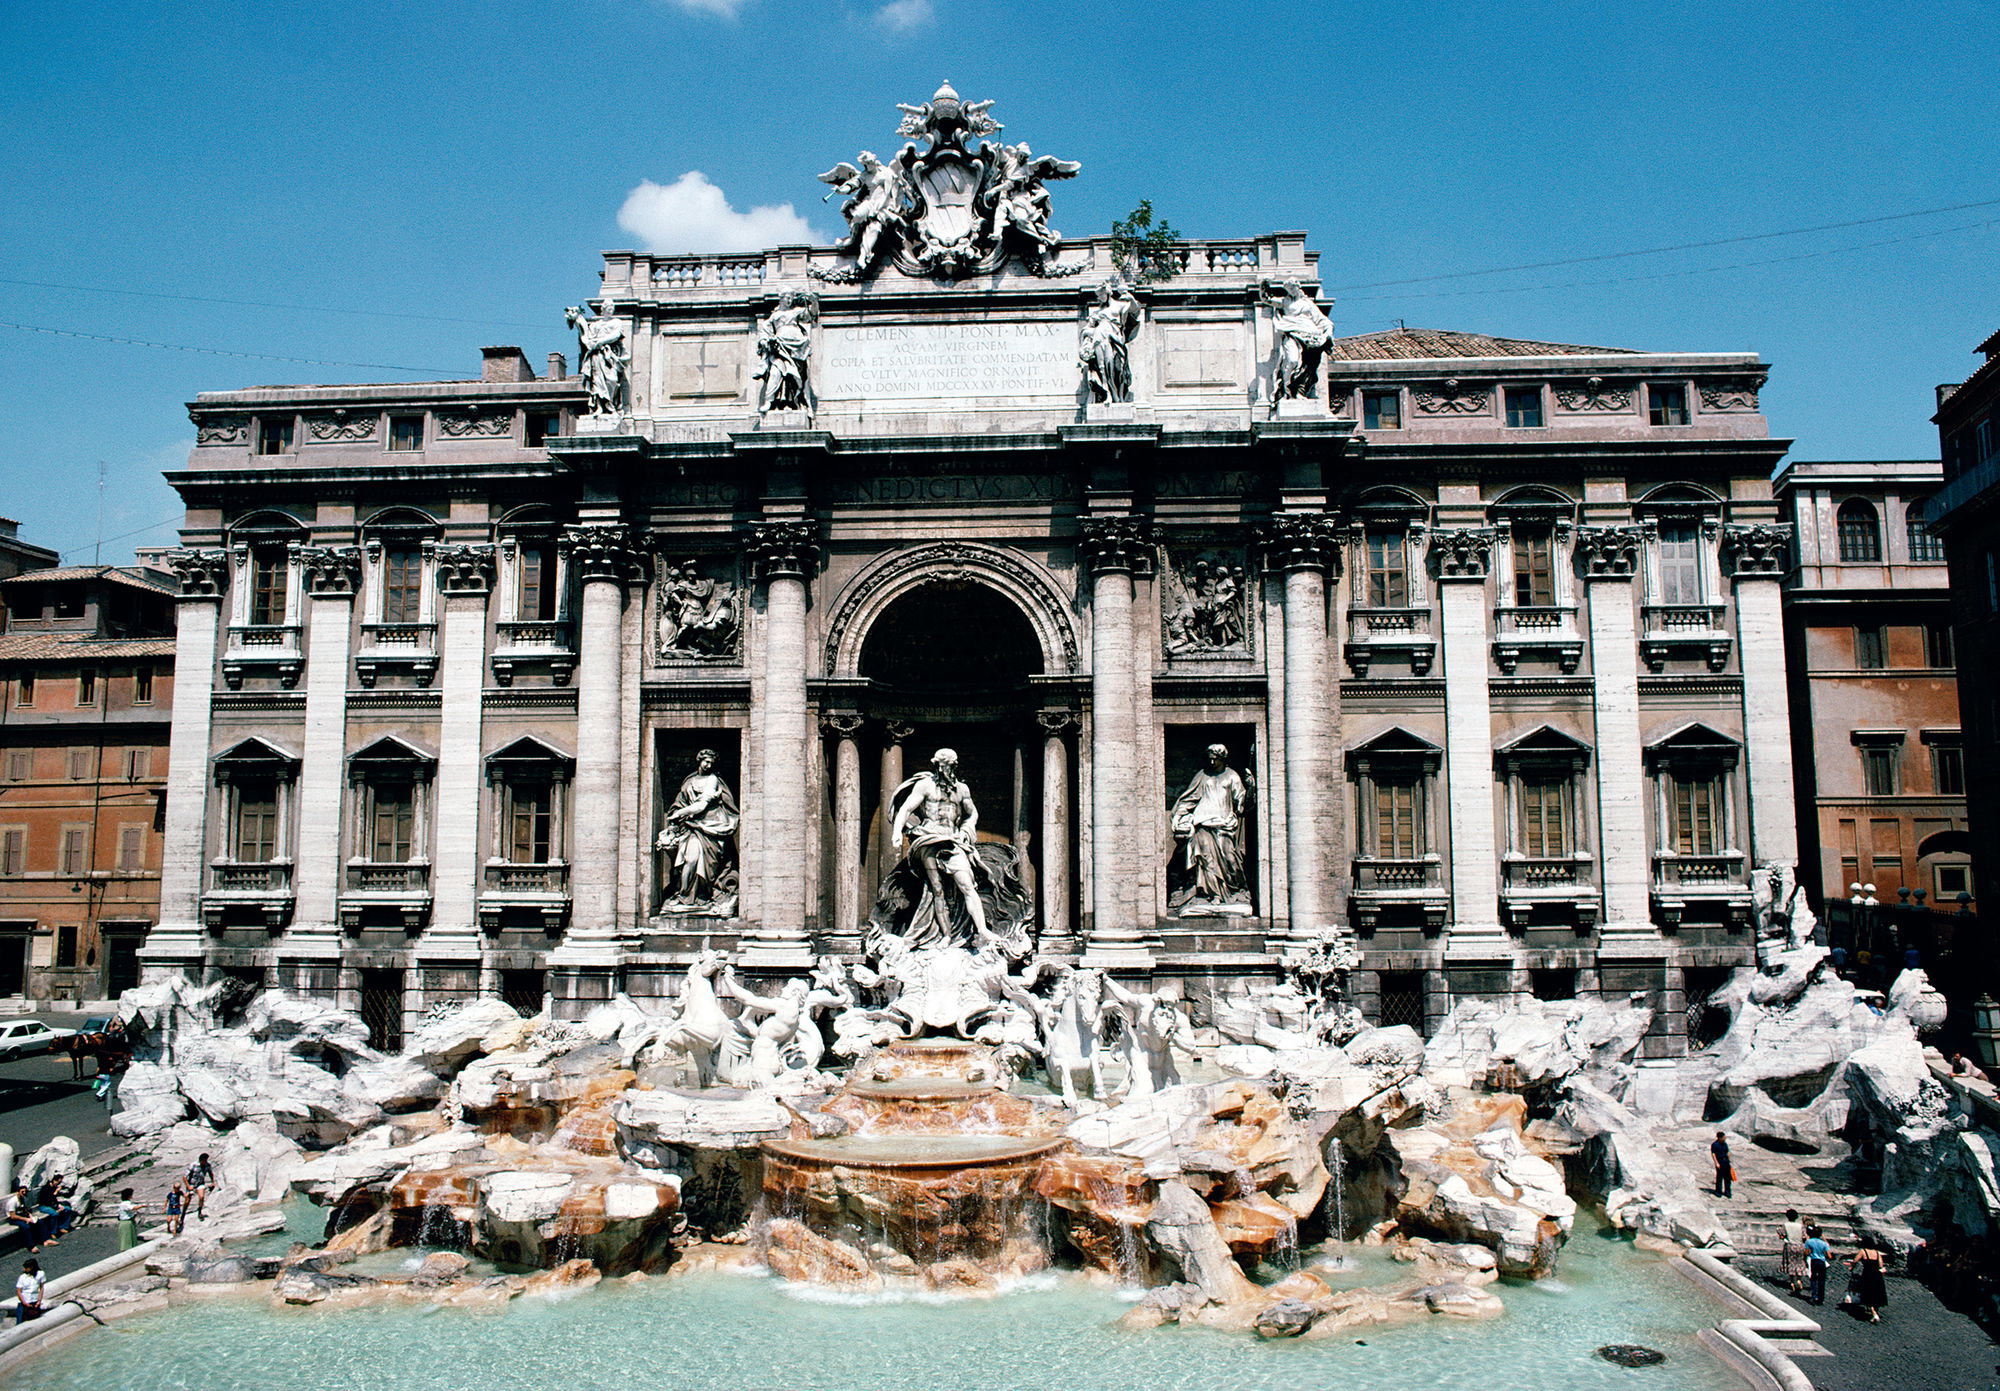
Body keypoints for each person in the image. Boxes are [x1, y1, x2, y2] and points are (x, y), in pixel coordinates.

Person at [887, 749, 992, 946]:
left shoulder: (962, 789)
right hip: (929, 839)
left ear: (955, 766)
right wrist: (896, 833)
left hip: (952, 840)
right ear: (936, 765)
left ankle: (982, 930)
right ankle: (946, 935)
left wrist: (966, 829)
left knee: (967, 885)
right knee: (937, 889)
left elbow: (972, 813)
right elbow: (906, 809)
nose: (946, 769)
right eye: (942, 765)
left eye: (950, 766)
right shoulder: (925, 785)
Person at [1168, 744, 1252, 916]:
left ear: (1223, 759)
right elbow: (1190, 797)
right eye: (1210, 758)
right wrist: (1180, 815)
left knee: (1229, 857)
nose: (1212, 762)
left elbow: (1242, 803)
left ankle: (1233, 890)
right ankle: (1210, 894)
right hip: (1202, 823)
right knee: (1205, 859)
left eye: (1216, 759)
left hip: (1224, 824)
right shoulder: (1202, 775)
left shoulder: (1232, 776)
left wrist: (1251, 788)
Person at [657, 750, 741, 913]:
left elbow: (701, 805)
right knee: (690, 860)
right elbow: (681, 801)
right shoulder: (689, 781)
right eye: (706, 762)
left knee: (703, 863)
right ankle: (685, 896)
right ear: (699, 760)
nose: (708, 765)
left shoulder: (712, 780)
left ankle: (701, 897)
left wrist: (679, 813)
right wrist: (677, 815)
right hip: (690, 828)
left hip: (710, 828)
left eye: (711, 763)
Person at [1847, 1242, 1889, 1322]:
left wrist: (1851, 1267)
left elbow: (1855, 1260)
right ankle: (1875, 1311)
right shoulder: (1877, 1253)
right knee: (1876, 1293)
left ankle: (1874, 1313)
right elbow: (1881, 1265)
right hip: (1877, 1275)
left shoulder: (1863, 1251)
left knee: (1868, 1293)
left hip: (1867, 1275)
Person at [1779, 1209, 1808, 1295]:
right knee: (1800, 1262)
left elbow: (1782, 1235)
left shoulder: (1785, 1225)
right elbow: (1804, 1236)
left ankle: (1792, 1281)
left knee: (1791, 1263)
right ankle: (1799, 1279)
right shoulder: (1800, 1226)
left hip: (1790, 1245)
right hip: (1800, 1245)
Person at [1804, 1226, 1832, 1306]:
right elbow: (1829, 1256)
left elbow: (1806, 1252)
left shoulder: (1809, 1242)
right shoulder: (1824, 1243)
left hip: (1814, 1261)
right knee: (1821, 1280)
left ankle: (1814, 1296)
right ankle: (1821, 1298)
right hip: (1822, 1262)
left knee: (1813, 1278)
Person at [14, 1259, 44, 1326]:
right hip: (24, 1302)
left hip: (34, 1301)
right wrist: (24, 1303)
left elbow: (41, 1288)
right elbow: (19, 1291)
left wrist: (39, 1301)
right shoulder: (22, 1277)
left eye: (26, 1268)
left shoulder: (40, 1274)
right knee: (20, 1323)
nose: (24, 1269)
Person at [1710, 1131, 1734, 1198]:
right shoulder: (1715, 1145)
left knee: (1728, 1178)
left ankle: (1727, 1192)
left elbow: (1727, 1151)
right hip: (1720, 1161)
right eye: (1724, 1137)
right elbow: (1713, 1154)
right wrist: (1716, 1163)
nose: (1725, 1138)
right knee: (1719, 1178)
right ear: (1719, 1138)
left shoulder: (1725, 1144)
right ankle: (1718, 1192)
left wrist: (1729, 1158)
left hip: (1726, 1161)